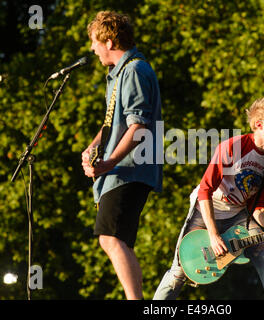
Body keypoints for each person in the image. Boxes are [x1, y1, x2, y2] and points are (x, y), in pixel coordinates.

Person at [153, 93, 264, 300]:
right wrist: (213, 234)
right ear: (258, 124)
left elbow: (258, 206)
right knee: (179, 272)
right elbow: (205, 190)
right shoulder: (232, 147)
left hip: (238, 215)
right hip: (207, 208)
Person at [81, 11, 162, 300]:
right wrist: (92, 149)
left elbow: (138, 126)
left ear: (110, 41)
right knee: (117, 240)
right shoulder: (120, 73)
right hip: (121, 170)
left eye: (94, 42)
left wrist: (109, 162)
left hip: (129, 170)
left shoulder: (135, 70)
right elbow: (113, 123)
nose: (92, 49)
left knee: (111, 238)